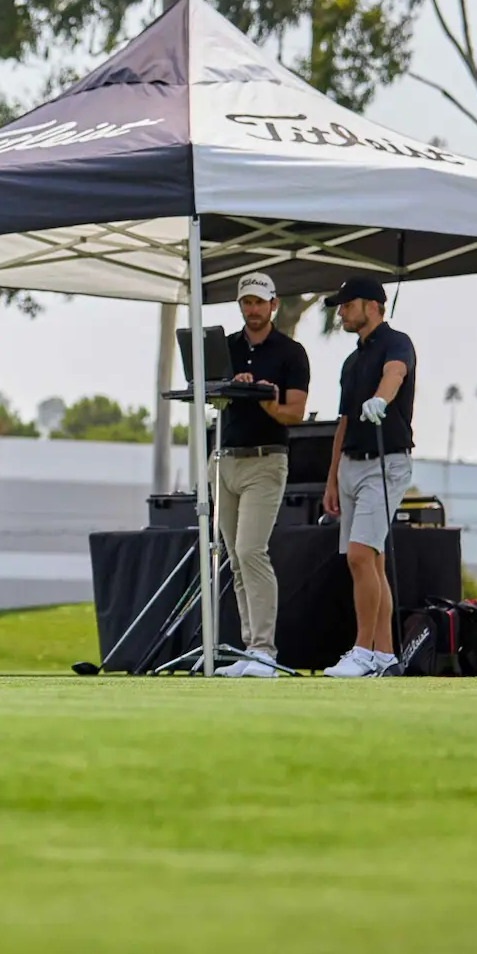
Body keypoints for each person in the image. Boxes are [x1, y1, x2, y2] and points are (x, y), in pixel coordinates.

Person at [213, 272, 309, 678]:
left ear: (273, 305)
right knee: (235, 558)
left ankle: (265, 651)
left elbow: (294, 413)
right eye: (246, 302)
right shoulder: (226, 349)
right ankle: (250, 648)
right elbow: (212, 399)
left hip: (266, 461)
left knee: (252, 550)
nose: (253, 309)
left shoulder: (291, 352)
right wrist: (232, 387)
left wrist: (265, 398)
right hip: (226, 459)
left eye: (259, 302)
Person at [320, 275, 415, 678]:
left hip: (387, 461)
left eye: (346, 304)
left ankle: (361, 651)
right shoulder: (351, 361)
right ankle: (385, 655)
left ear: (371, 305)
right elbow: (343, 421)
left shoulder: (397, 341)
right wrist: (331, 477)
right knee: (371, 561)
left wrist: (381, 397)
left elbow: (395, 374)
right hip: (352, 464)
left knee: (360, 555)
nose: (340, 311)